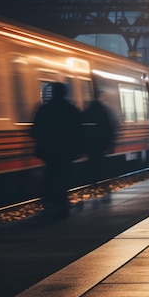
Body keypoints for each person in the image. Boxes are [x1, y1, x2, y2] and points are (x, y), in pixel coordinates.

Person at [30, 82, 83, 218]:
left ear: (52, 92)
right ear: (65, 93)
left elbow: (34, 131)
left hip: (48, 152)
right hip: (66, 151)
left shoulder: (44, 109)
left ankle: (50, 201)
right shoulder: (71, 109)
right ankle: (62, 204)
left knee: (51, 175)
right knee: (64, 177)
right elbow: (79, 131)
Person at [81, 90, 117, 185]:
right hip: (101, 144)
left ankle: (93, 182)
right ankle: (102, 183)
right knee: (101, 163)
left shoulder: (86, 112)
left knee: (92, 163)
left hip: (89, 145)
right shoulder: (104, 111)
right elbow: (108, 128)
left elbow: (81, 128)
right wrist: (110, 144)